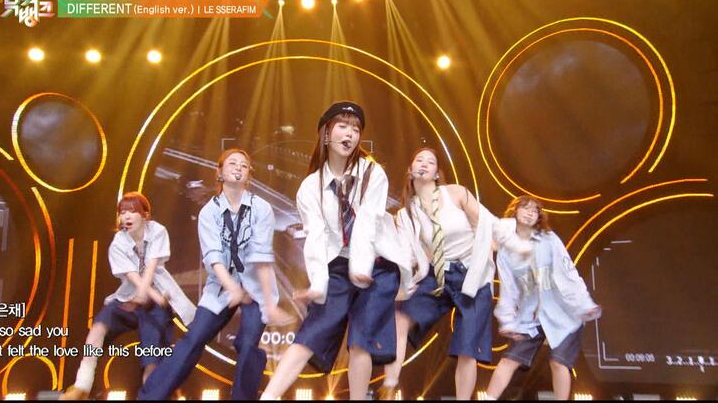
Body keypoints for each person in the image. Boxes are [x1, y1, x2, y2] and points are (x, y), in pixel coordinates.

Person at [261, 101, 411, 400]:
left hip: (378, 266)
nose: (350, 133)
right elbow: (316, 237)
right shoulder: (310, 187)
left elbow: (367, 222)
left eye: (355, 129)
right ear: (326, 134)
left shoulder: (372, 173)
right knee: (312, 332)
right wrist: (318, 284)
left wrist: (361, 266)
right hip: (339, 265)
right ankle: (268, 397)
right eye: (342, 126)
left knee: (360, 341)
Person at [379, 147, 531, 400]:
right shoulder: (406, 214)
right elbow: (407, 254)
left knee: (467, 349)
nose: (424, 164)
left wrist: (514, 245)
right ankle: (390, 383)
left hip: (472, 274)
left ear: (437, 174)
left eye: (431, 162)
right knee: (400, 318)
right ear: (410, 170)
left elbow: (488, 222)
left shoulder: (455, 193)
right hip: (438, 274)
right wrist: (402, 283)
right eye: (419, 160)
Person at [138, 149, 290, 400]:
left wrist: (268, 303)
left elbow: (262, 256)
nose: (238, 168)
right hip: (220, 286)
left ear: (249, 175)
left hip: (256, 287)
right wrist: (232, 288)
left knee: (249, 345)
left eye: (244, 165)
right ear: (219, 172)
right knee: (194, 338)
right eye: (232, 163)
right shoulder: (209, 212)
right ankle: (150, 397)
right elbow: (213, 257)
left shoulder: (262, 208)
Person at [60, 192, 196, 400]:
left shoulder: (157, 231)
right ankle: (82, 386)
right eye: (123, 213)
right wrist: (145, 294)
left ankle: (152, 394)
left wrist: (153, 297)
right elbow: (132, 275)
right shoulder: (118, 242)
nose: (127, 217)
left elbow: (151, 265)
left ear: (145, 215)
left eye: (132, 211)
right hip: (128, 298)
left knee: (152, 353)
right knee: (98, 328)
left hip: (155, 302)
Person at [485, 196, 601, 400]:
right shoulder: (505, 248)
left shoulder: (549, 238)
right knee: (509, 360)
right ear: (515, 211)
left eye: (535, 210)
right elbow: (508, 286)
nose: (530, 213)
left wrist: (583, 303)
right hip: (530, 313)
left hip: (563, 309)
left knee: (558, 362)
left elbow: (568, 270)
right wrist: (508, 319)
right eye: (526, 208)